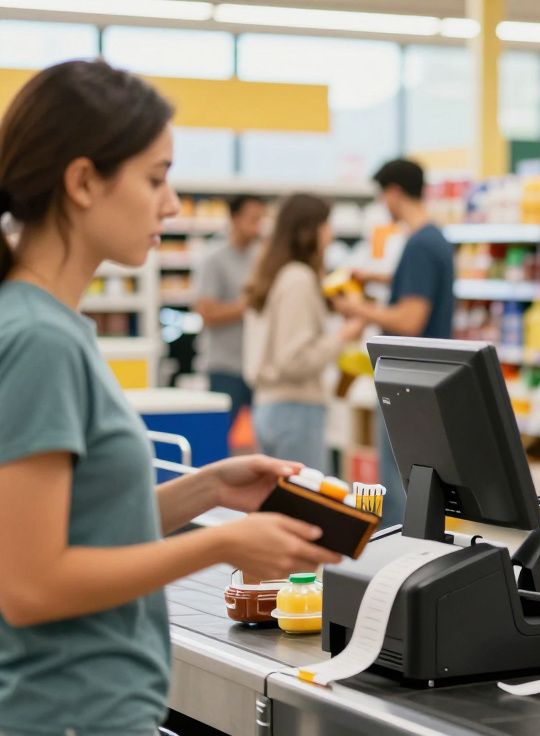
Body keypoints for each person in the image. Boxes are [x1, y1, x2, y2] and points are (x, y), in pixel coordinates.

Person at [0, 60, 342, 736]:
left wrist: (209, 491)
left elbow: (84, 525)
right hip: (70, 713)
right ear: (83, 181)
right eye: (156, 178)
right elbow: (31, 585)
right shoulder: (39, 339)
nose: (173, 203)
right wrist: (222, 546)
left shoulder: (46, 324)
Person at [334, 158, 454, 528]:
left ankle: (398, 561)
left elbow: (410, 319)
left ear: (394, 192)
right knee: (418, 480)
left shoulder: (418, 245)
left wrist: (360, 309)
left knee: (400, 481)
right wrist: (378, 279)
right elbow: (418, 291)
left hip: (410, 384)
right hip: (430, 380)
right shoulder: (434, 239)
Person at [244, 194, 364, 471]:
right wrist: (344, 336)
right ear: (308, 230)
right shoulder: (298, 279)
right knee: (307, 508)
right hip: (295, 410)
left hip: (269, 407)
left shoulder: (272, 273)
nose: (330, 235)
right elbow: (293, 359)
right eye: (326, 225)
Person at [193, 194, 266, 427]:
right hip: (224, 366)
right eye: (253, 219)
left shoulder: (261, 257)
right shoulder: (214, 258)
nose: (258, 226)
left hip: (256, 365)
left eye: (261, 219)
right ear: (235, 219)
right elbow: (205, 312)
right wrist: (246, 306)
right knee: (218, 435)